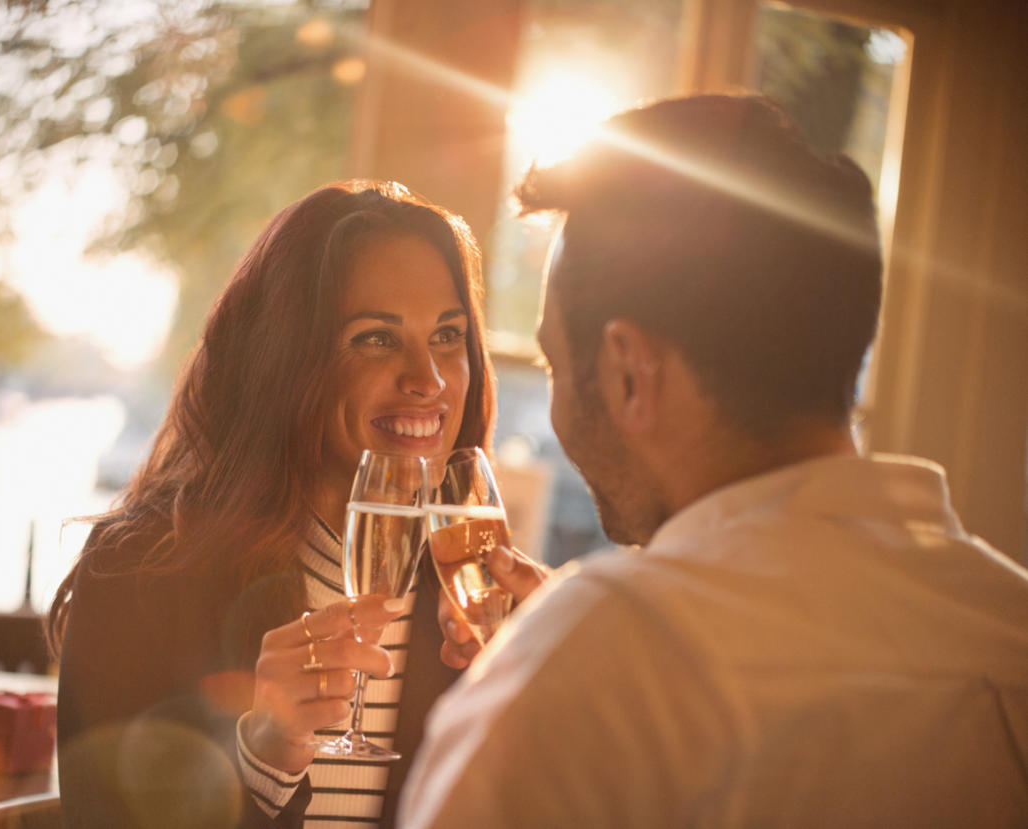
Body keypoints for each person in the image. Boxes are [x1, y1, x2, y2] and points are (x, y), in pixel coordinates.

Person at [400, 95, 1028, 827]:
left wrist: (560, 658)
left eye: (553, 363)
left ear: (630, 373)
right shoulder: (1007, 620)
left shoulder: (590, 676)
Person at [49, 179, 497, 828]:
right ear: (284, 361)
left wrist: (538, 693)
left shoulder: (474, 607)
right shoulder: (136, 576)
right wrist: (259, 762)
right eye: (376, 337)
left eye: (449, 336)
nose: (427, 379)